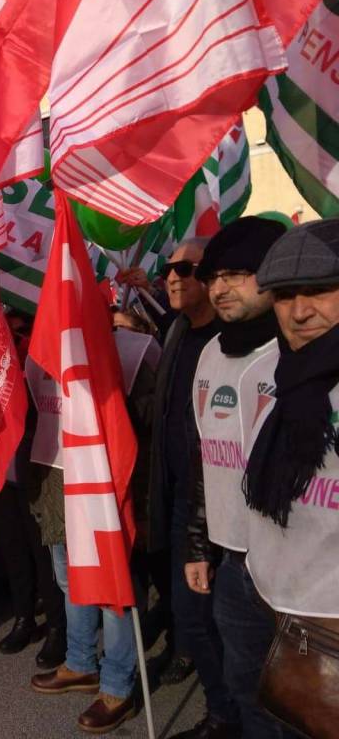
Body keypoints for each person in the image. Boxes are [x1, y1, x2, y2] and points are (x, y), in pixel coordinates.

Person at [178, 218, 290, 739]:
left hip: (294, 573)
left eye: (238, 274)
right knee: (245, 689)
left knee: (299, 702)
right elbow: (208, 459)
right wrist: (200, 544)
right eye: (215, 276)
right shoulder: (209, 353)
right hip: (231, 563)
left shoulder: (298, 358)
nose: (220, 287)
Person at [28, 306, 154, 734]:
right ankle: (80, 663)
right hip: (57, 475)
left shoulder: (136, 350)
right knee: (70, 579)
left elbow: (148, 417)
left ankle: (118, 684)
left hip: (106, 478)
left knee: (113, 586)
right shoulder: (42, 349)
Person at [141, 239, 242, 732]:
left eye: (187, 268)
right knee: (193, 615)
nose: (174, 277)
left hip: (229, 506)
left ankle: (233, 715)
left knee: (228, 623)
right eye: (168, 269)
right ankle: (222, 711)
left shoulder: (233, 340)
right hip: (182, 497)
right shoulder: (178, 331)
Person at [241, 218, 339, 723]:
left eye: (320, 290)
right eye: (284, 295)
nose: (300, 312)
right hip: (262, 594)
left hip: (327, 621)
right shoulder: (271, 370)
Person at [0, 311, 67, 669]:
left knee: (43, 552)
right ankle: (23, 616)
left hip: (34, 468)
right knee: (13, 548)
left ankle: (58, 626)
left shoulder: (35, 357)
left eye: (16, 329)